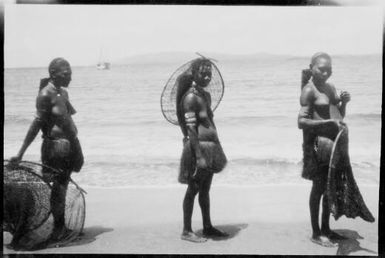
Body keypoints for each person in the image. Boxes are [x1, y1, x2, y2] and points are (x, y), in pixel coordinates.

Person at [10, 57, 84, 242]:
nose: (70, 78)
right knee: (58, 189)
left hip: (70, 145)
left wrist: (77, 146)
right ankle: (58, 230)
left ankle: (61, 226)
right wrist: (20, 153)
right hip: (55, 147)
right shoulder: (45, 95)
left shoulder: (62, 92)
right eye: (66, 74)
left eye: (71, 74)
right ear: (53, 74)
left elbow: (68, 118)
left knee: (63, 185)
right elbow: (36, 125)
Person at [297, 52, 351, 247]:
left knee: (330, 189)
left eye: (329, 69)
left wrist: (343, 102)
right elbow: (301, 122)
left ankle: (326, 229)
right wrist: (328, 122)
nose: (326, 72)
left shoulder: (330, 87)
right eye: (321, 69)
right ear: (311, 67)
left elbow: (338, 115)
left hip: (333, 145)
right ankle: (316, 232)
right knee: (318, 189)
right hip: (318, 146)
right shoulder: (309, 90)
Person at [176, 58, 228, 243]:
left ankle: (207, 226)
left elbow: (209, 122)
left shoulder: (205, 96)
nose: (206, 76)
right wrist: (199, 156)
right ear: (194, 73)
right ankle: (186, 230)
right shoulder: (190, 98)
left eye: (209, 74)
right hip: (198, 149)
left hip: (211, 147)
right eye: (203, 73)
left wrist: (217, 146)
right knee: (193, 189)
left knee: (205, 190)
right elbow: (191, 129)